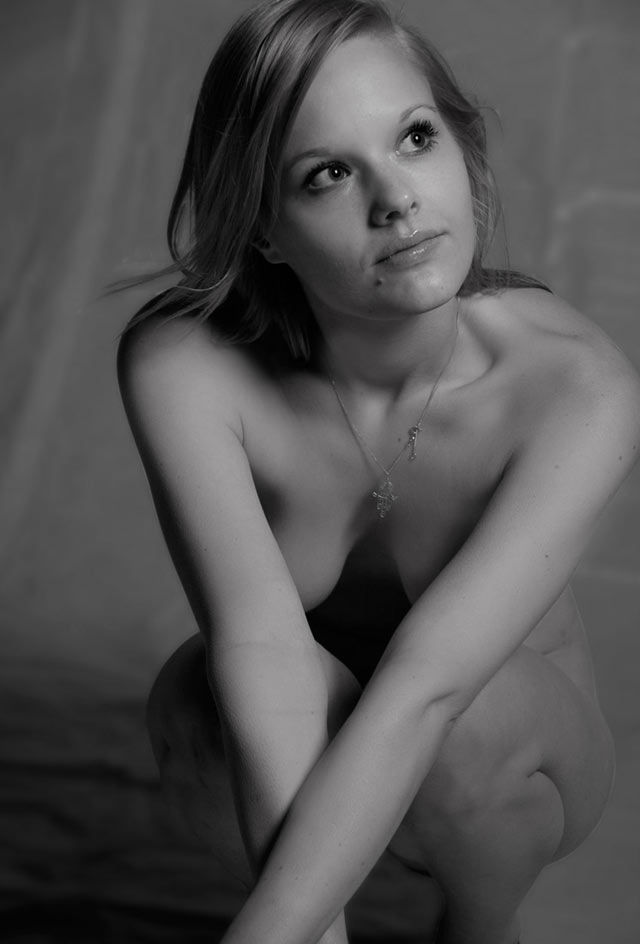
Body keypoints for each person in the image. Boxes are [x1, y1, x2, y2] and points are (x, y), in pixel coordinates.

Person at [115, 1, 640, 942]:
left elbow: (427, 688)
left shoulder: (577, 387)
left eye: (415, 137)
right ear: (263, 229)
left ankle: (480, 930)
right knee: (203, 697)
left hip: (512, 754)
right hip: (304, 736)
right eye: (327, 173)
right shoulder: (182, 363)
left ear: (463, 151)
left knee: (463, 718)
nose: (396, 199)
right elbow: (261, 649)